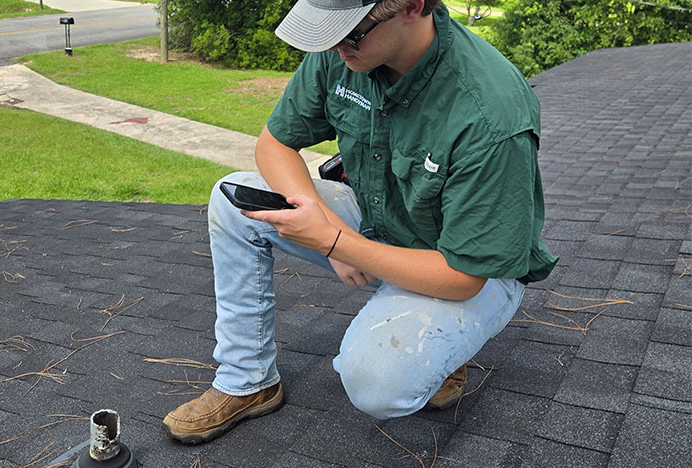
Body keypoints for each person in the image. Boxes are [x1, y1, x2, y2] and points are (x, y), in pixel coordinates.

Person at [162, 0, 557, 444]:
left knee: (375, 384)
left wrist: (336, 243)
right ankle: (247, 381)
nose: (332, 46)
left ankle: (442, 355)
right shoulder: (344, 52)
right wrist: (337, 231)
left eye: (350, 32)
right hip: (379, 219)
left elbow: (465, 277)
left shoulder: (490, 111)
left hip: (469, 266)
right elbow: (274, 145)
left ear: (413, 6)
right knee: (232, 200)